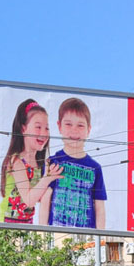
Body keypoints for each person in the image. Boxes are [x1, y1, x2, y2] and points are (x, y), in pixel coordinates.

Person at [40, 97, 107, 229]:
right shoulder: (53, 162)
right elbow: (45, 200)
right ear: (59, 126)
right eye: (68, 124)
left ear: (89, 129)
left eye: (80, 125)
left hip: (87, 237)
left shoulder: (95, 168)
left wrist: (101, 236)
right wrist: (42, 233)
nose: (74, 130)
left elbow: (99, 206)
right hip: (57, 233)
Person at [0, 99, 63, 224]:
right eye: (38, 127)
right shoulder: (17, 161)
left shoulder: (41, 164)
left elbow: (38, 195)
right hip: (8, 223)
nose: (43, 133)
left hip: (28, 224)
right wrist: (47, 178)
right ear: (23, 129)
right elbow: (29, 200)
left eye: (47, 128)